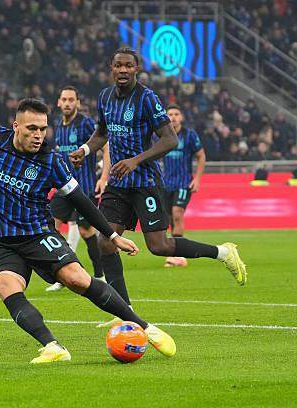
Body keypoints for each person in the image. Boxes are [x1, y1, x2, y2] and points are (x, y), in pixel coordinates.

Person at [0, 98, 176, 363]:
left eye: (43, 129)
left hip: (39, 235)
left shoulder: (51, 161)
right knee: (6, 285)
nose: (38, 135)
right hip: (3, 242)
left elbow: (81, 200)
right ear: (16, 126)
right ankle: (53, 347)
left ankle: (145, 327)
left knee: (76, 278)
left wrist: (113, 236)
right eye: (32, 128)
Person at [70, 48, 247, 327]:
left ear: (137, 69)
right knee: (106, 241)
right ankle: (124, 311)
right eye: (118, 65)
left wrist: (135, 160)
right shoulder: (105, 97)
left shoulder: (147, 98)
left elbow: (170, 139)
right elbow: (102, 134)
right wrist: (85, 149)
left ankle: (223, 253)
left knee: (159, 246)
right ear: (111, 68)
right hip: (118, 182)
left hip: (146, 182)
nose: (123, 70)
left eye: (128, 65)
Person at [46, 86, 106, 292]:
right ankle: (63, 274)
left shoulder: (85, 123)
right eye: (64, 99)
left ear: (78, 103)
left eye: (71, 99)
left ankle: (100, 275)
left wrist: (104, 177)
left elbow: (105, 145)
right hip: (63, 187)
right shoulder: (58, 125)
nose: (67, 103)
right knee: (50, 227)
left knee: (86, 231)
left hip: (84, 188)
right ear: (58, 102)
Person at [161, 104, 206, 268]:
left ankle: (178, 255)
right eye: (170, 114)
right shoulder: (162, 135)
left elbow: (201, 156)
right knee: (169, 218)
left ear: (181, 117)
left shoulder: (189, 135)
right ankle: (176, 252)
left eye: (176, 114)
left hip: (183, 182)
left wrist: (197, 179)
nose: (173, 117)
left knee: (177, 213)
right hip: (166, 184)